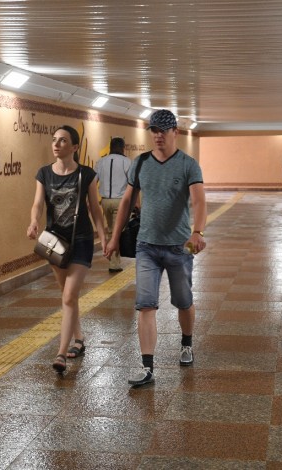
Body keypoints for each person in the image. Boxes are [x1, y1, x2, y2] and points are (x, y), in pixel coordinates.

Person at [104, 109, 207, 387]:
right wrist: (114, 237)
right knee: (145, 305)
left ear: (175, 132)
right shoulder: (140, 163)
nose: (158, 135)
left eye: (163, 130)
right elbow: (127, 201)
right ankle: (147, 366)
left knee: (183, 301)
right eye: (154, 130)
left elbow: (199, 201)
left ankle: (186, 343)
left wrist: (197, 232)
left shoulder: (188, 165)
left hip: (179, 247)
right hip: (146, 246)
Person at [27, 125, 108, 373]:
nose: (56, 144)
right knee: (67, 296)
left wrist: (103, 237)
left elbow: (95, 208)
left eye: (62, 140)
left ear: (74, 147)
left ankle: (61, 353)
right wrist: (33, 221)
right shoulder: (44, 174)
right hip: (54, 242)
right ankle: (79, 338)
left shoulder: (86, 174)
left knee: (69, 296)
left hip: (81, 240)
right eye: (54, 140)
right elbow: (38, 203)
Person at [95, 137, 132, 272]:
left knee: (111, 230)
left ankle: (113, 262)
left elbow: (93, 181)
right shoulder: (127, 162)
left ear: (110, 147)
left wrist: (90, 200)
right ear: (123, 148)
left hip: (105, 201)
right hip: (120, 201)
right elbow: (133, 184)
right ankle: (115, 264)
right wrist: (136, 203)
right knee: (118, 232)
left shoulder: (101, 162)